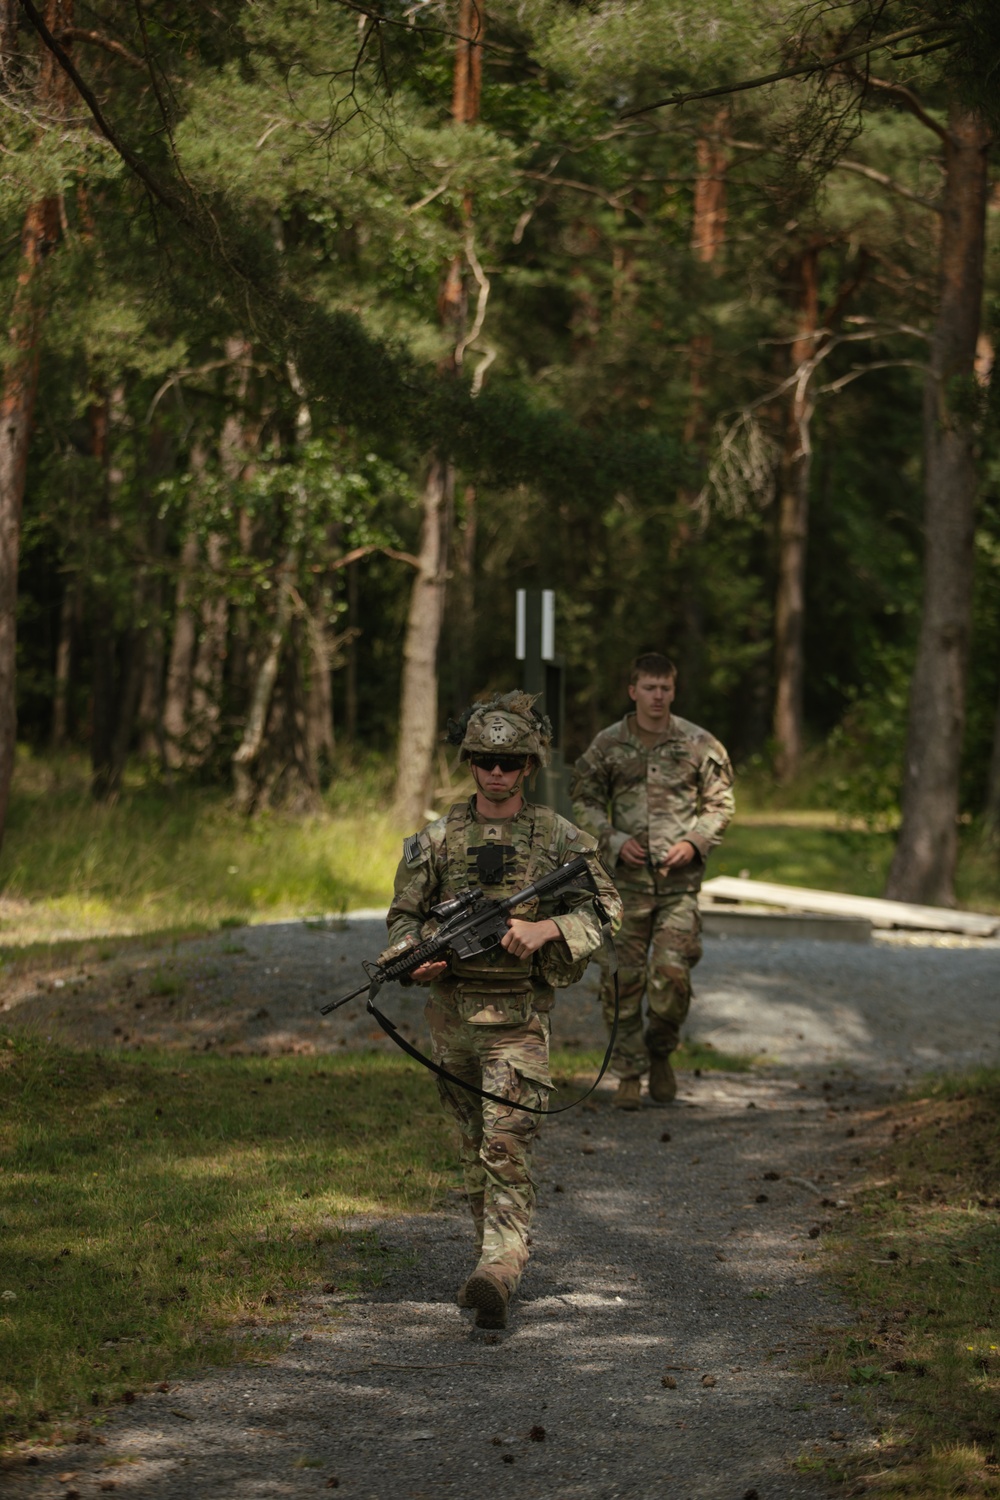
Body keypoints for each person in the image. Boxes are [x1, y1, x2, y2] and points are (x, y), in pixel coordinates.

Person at [384, 691, 621, 1330]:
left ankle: (501, 1267)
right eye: (485, 759)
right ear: (469, 763)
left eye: (509, 761)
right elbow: (403, 918)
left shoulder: (561, 839)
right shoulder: (433, 842)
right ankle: (489, 1257)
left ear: (528, 767)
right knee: (471, 1150)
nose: (496, 772)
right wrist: (413, 959)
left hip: (516, 1020)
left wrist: (548, 933)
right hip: (451, 1018)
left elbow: (607, 909)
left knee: (504, 1146)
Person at [570, 652, 734, 1110]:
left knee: (671, 981)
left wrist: (696, 840)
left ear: (673, 691)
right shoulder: (607, 745)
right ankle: (628, 1071)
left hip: (678, 887)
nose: (657, 696)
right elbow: (583, 800)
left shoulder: (699, 744)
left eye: (665, 688)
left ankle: (660, 1052)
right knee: (621, 982)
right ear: (633, 691)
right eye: (649, 687)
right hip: (623, 887)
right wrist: (614, 839)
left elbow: (721, 803)